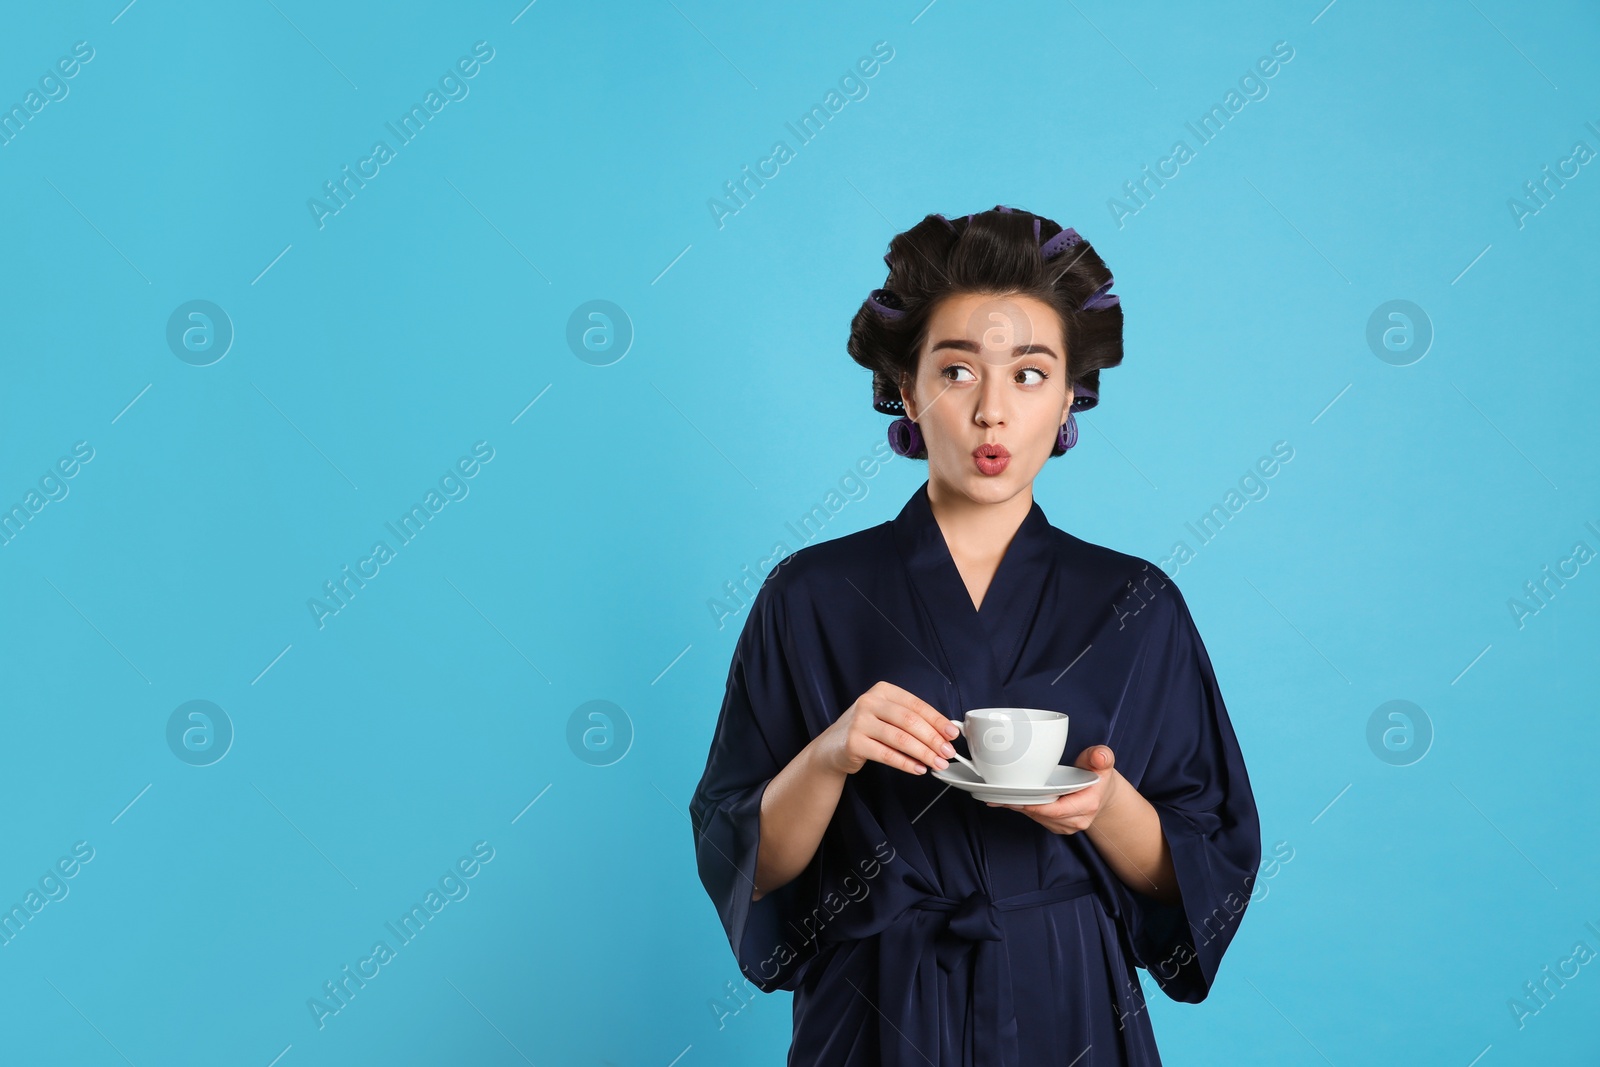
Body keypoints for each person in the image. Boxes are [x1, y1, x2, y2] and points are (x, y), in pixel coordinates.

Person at [689, 206, 1261, 1066]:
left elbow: (1208, 866)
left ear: (1071, 394)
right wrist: (832, 751)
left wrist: (1104, 805)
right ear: (909, 388)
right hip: (875, 1004)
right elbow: (751, 867)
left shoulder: (1138, 601)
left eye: (1030, 375)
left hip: (1069, 1000)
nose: (993, 411)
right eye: (957, 370)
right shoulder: (811, 594)